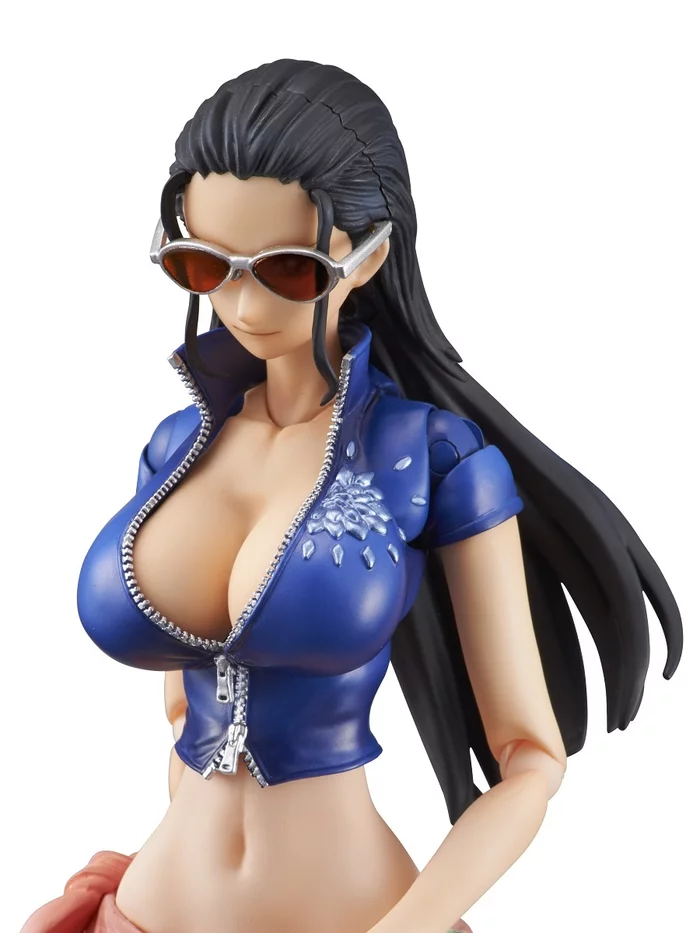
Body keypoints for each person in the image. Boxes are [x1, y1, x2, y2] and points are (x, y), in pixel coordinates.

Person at [21, 58, 682, 933]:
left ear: (369, 256)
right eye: (203, 264)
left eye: (289, 271)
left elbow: (531, 760)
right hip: (146, 911)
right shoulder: (175, 449)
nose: (241, 303)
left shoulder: (431, 457)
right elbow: (183, 712)